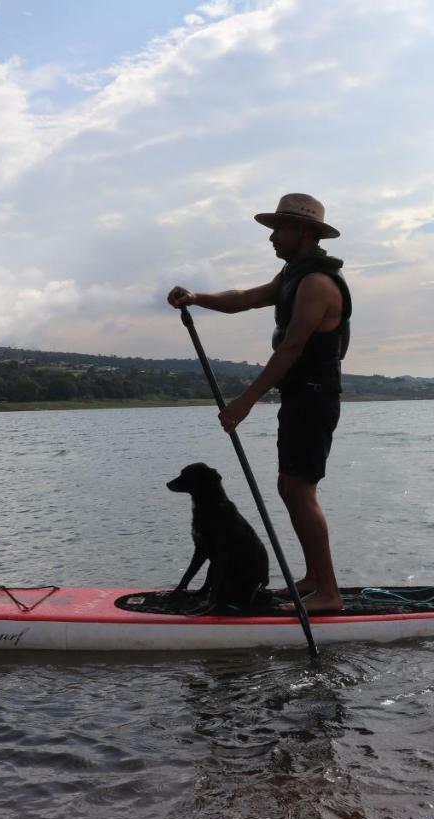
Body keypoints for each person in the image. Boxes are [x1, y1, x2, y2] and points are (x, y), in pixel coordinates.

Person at [167, 193, 352, 613]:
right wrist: (197, 297)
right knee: (289, 487)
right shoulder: (292, 274)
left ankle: (329, 593)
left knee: (301, 491)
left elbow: (290, 349)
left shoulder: (317, 284)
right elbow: (244, 298)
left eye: (279, 229)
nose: (272, 237)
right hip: (299, 397)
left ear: (304, 233)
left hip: (315, 397)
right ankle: (312, 579)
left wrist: (245, 403)